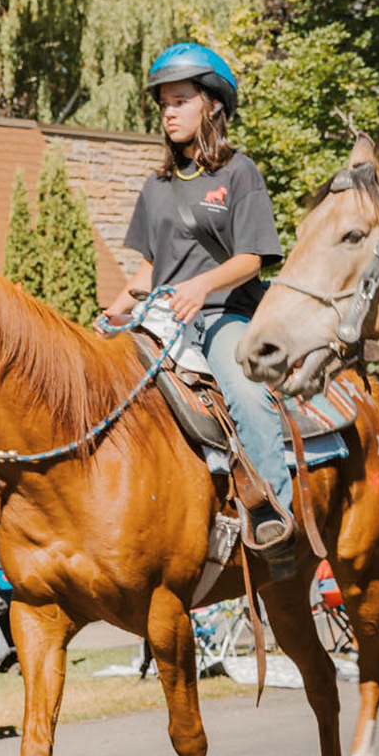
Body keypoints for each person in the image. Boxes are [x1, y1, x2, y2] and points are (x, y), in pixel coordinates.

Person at [102, 43, 292, 553]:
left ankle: (274, 511)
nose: (168, 111)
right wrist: (112, 313)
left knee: (247, 395)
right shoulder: (156, 185)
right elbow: (148, 268)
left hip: (224, 315)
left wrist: (202, 285)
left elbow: (252, 258)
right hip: (160, 319)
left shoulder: (239, 173)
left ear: (212, 105)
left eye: (180, 100)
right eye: (163, 102)